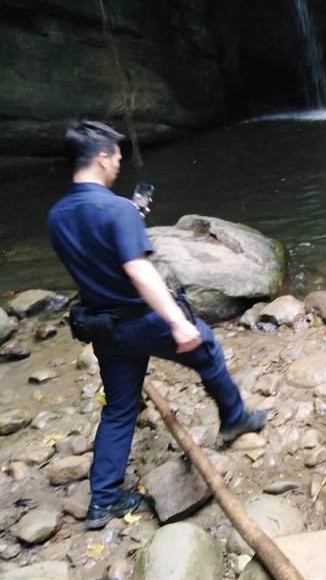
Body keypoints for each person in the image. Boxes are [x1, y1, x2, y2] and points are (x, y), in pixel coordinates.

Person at [47, 121, 266, 530]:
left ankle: (103, 502)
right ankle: (235, 418)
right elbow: (137, 269)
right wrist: (177, 323)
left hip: (103, 328)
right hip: (141, 320)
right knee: (207, 349)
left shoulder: (58, 216)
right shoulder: (115, 210)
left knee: (119, 409)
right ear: (100, 158)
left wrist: (127, 219)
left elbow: (93, 252)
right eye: (115, 157)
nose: (118, 165)